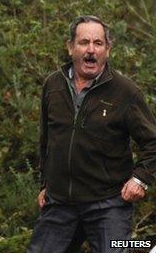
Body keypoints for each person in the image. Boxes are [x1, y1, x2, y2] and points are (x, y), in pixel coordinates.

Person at [28, 15, 156, 253]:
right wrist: (44, 183)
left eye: (98, 43)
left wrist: (140, 179)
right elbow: (47, 141)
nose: (90, 50)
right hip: (60, 204)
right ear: (70, 47)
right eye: (84, 42)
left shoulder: (126, 92)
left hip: (108, 205)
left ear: (108, 49)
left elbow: (153, 143)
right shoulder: (52, 85)